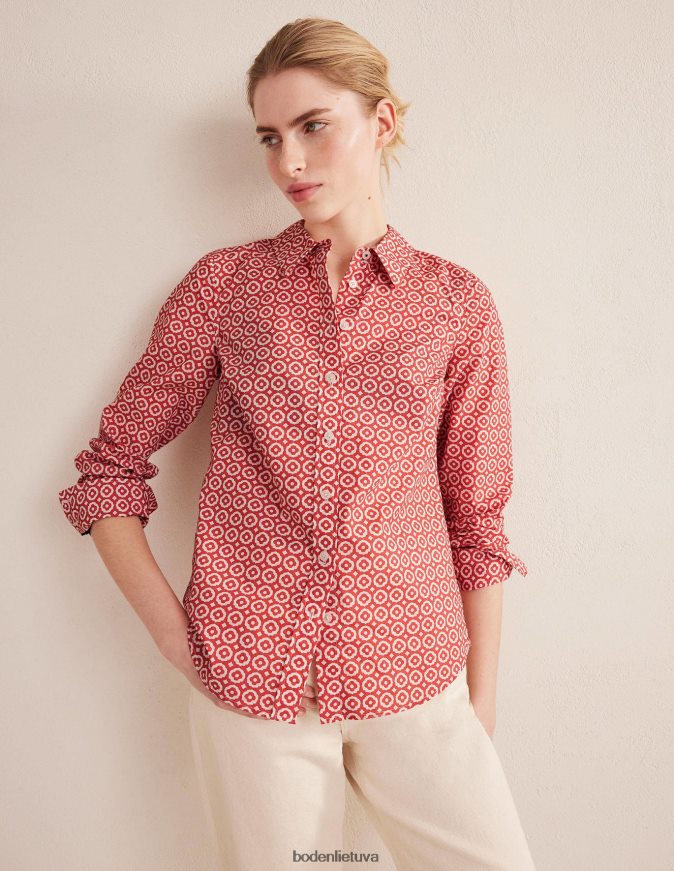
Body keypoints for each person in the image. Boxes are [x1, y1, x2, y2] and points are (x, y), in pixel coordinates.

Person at [58, 16, 536, 871]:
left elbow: (477, 517)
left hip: (418, 675)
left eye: (314, 126)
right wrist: (178, 640)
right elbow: (108, 472)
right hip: (253, 687)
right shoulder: (225, 287)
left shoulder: (456, 305)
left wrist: (480, 703)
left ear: (382, 122)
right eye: (270, 137)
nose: (290, 162)